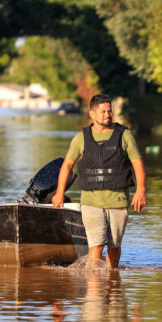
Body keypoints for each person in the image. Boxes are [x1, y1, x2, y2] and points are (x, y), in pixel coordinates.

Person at [51, 94, 145, 268]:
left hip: (117, 201)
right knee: (96, 245)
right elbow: (67, 165)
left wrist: (141, 190)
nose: (107, 115)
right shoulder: (80, 138)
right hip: (90, 202)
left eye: (109, 111)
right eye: (103, 111)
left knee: (114, 246)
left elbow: (137, 163)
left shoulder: (124, 135)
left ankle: (111, 282)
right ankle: (95, 289)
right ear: (92, 114)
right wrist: (59, 193)